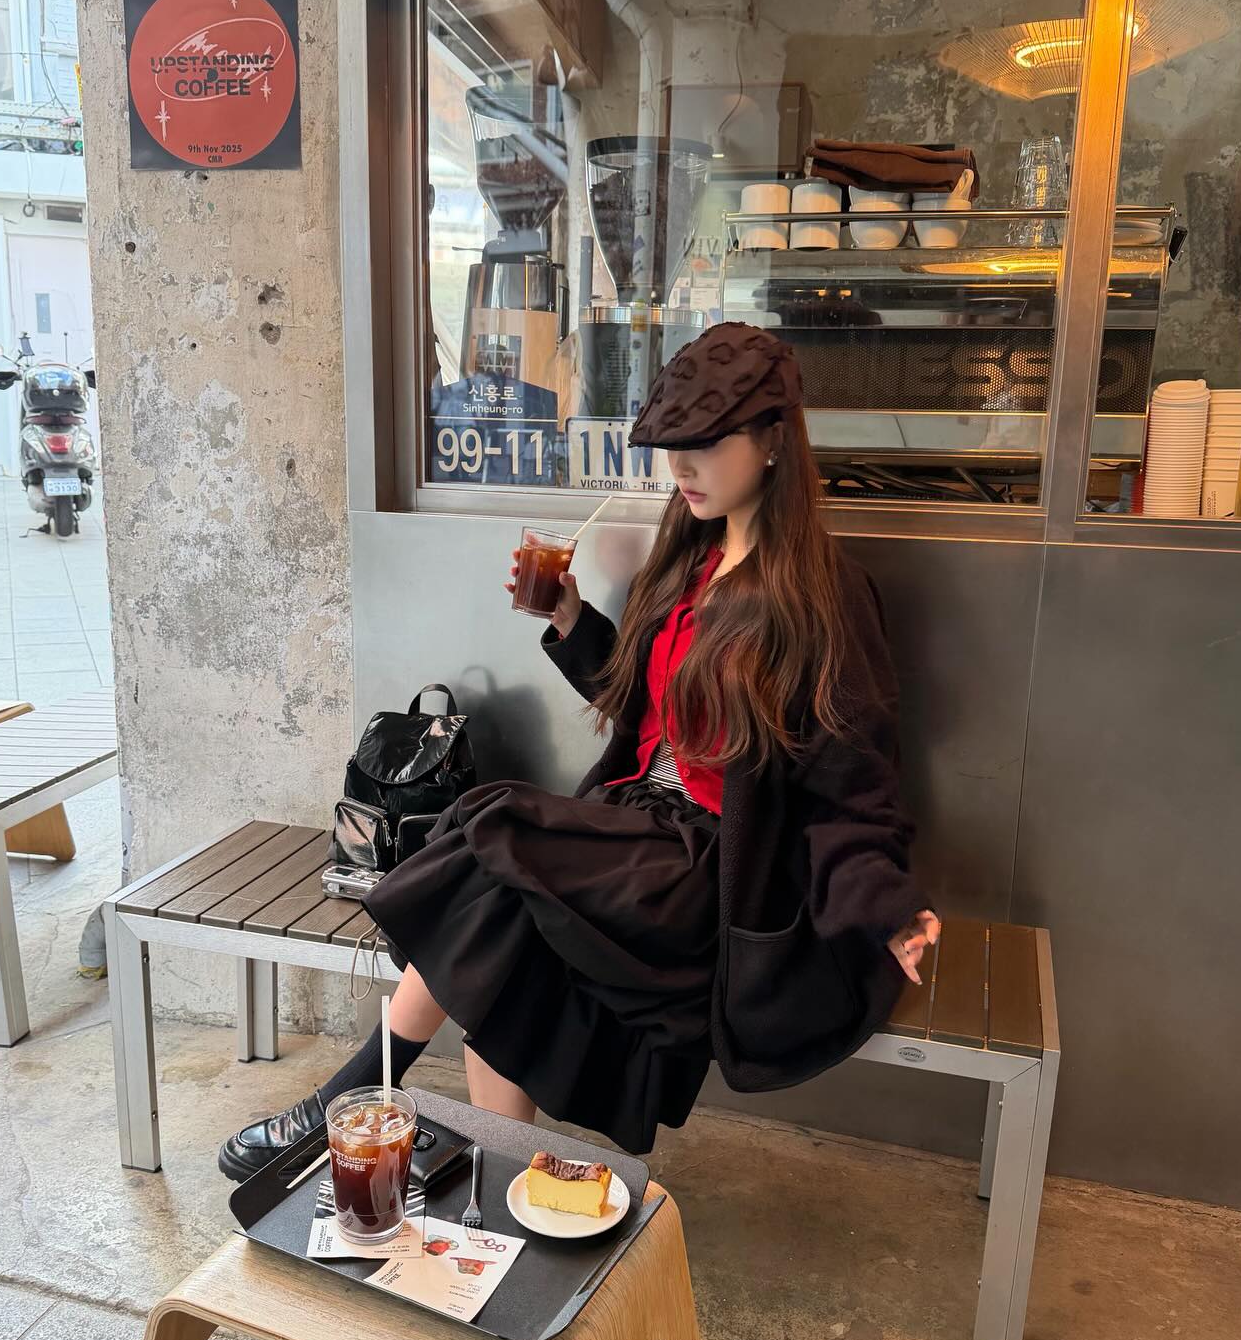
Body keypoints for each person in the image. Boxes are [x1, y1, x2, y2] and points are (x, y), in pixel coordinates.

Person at [218, 324, 939, 1181]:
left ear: (774, 441)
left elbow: (855, 782)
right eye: (672, 445)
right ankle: (495, 1184)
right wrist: (569, 616)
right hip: (632, 829)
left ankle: (344, 1106)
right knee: (501, 952)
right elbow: (648, 710)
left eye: (706, 443)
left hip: (706, 866)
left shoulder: (823, 597)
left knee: (491, 830)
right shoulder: (690, 559)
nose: (682, 466)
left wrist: (886, 906)